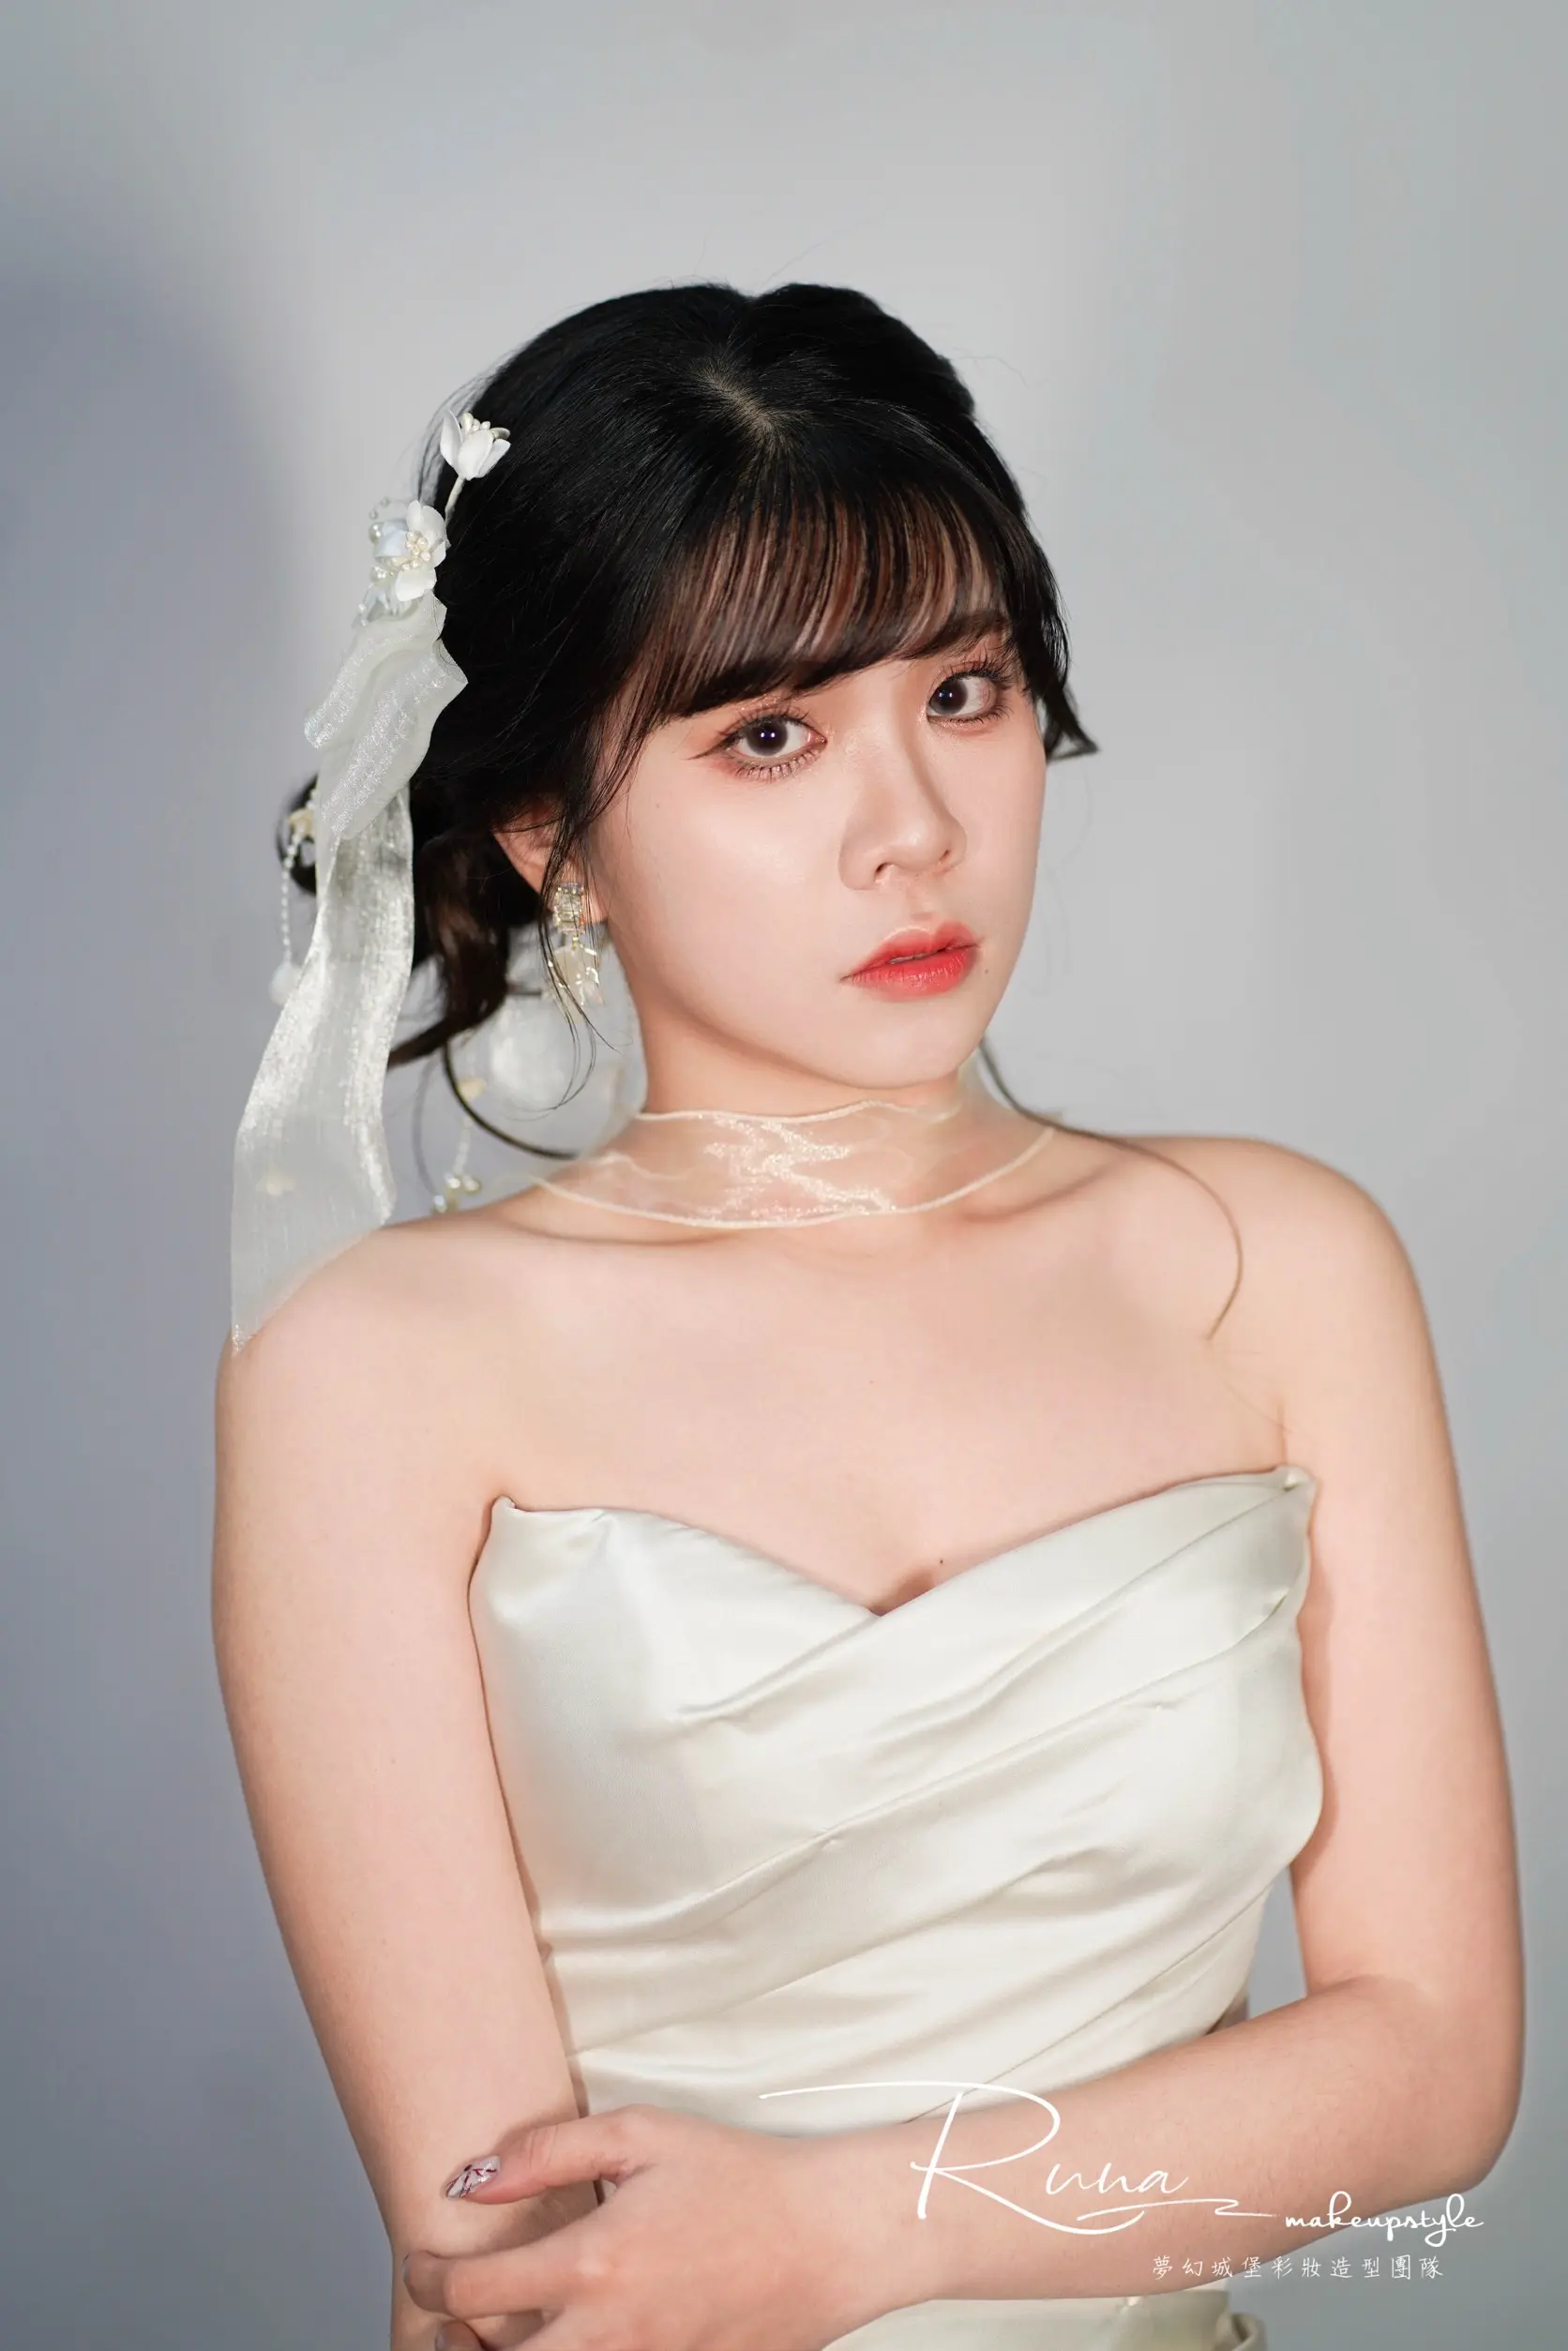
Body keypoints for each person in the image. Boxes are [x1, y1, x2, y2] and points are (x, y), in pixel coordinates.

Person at [212, 282, 1522, 2351]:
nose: (915, 827)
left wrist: (862, 2228)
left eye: (966, 691)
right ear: (553, 835)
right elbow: (509, 2253)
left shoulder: (1274, 1266)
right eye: (769, 733)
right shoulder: (379, 1372)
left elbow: (1436, 2065)